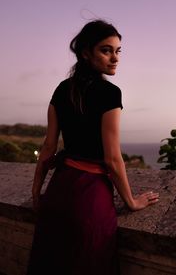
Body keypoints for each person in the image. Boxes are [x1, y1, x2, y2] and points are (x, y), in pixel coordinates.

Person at [27, 20, 159, 275]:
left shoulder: (62, 89)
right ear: (86, 53)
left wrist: (36, 192)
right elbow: (112, 158)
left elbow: (48, 148)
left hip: (57, 192)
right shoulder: (110, 93)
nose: (115, 58)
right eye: (106, 50)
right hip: (88, 200)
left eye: (118, 51)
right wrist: (131, 201)